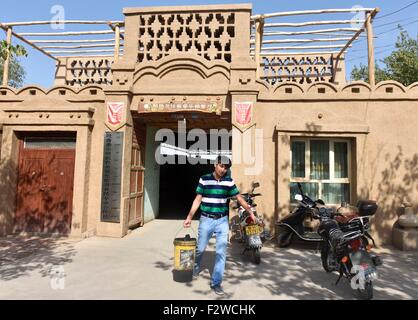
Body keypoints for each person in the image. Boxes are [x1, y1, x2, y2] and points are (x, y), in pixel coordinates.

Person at [183, 155, 255, 296]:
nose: (223, 170)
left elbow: (239, 197)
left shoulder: (229, 182)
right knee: (200, 248)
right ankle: (196, 266)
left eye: (226, 168)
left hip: (222, 221)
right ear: (215, 164)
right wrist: (189, 217)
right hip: (206, 219)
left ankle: (216, 283)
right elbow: (198, 199)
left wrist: (249, 211)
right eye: (221, 166)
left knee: (221, 252)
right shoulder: (204, 179)